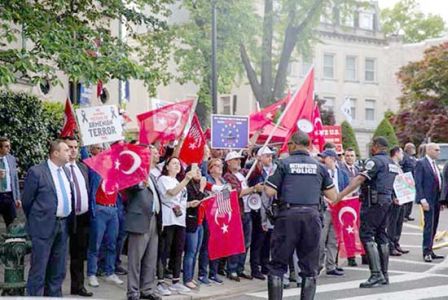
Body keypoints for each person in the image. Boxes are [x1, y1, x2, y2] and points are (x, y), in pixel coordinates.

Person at [264, 131, 338, 300]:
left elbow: (269, 191)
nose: (288, 147)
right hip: (312, 218)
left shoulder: (283, 164)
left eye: (290, 144)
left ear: (295, 144)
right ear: (308, 146)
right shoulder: (320, 167)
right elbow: (333, 196)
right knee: (309, 268)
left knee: (277, 265)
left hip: (287, 217)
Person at [337, 137, 399, 288]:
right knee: (381, 235)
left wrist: (339, 196)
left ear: (376, 147)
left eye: (372, 145)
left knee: (367, 234)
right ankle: (384, 275)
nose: (371, 148)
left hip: (374, 203)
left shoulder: (375, 161)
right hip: (387, 202)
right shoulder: (392, 163)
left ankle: (376, 274)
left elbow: (359, 179)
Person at [22, 140, 73, 296]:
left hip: (63, 226)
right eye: (66, 149)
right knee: (39, 269)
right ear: (55, 153)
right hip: (43, 227)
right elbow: (27, 201)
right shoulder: (37, 172)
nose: (70, 152)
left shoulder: (65, 171)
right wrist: (39, 219)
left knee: (58, 270)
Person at [124, 149, 162, 300]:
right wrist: (140, 184)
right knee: (135, 259)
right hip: (139, 220)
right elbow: (128, 187)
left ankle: (147, 289)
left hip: (154, 219)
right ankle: (133, 292)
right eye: (150, 152)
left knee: (150, 258)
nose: (154, 154)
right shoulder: (134, 171)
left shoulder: (152, 174)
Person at [157, 157, 196, 293]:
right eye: (173, 163)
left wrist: (190, 204)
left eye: (178, 164)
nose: (177, 165)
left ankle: (175, 281)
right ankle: (160, 282)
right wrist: (186, 180)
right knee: (165, 250)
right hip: (168, 220)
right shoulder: (163, 180)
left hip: (180, 220)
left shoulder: (178, 181)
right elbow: (171, 193)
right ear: (167, 166)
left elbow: (178, 201)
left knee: (178, 251)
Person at [224, 151, 263, 282]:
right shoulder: (228, 176)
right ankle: (232, 269)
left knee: (246, 242)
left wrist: (257, 160)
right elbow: (236, 193)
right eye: (235, 160)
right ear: (228, 162)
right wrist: (253, 189)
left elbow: (256, 171)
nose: (238, 161)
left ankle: (240, 268)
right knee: (236, 242)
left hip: (247, 212)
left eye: (239, 159)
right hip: (237, 213)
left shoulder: (243, 173)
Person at [87, 149, 123, 287]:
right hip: (100, 208)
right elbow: (93, 190)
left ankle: (110, 271)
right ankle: (91, 273)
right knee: (95, 244)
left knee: (112, 243)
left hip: (113, 209)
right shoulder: (97, 173)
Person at [63, 137, 94, 297]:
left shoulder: (83, 167)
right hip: (64, 217)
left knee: (79, 255)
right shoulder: (60, 169)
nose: (74, 150)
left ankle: (78, 286)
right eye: (70, 147)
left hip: (82, 218)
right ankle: (52, 288)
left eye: (76, 147)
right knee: (59, 254)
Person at [318, 149, 349, 277]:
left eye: (324, 158)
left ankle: (331, 265)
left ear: (332, 159)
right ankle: (317, 265)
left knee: (334, 239)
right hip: (325, 209)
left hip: (338, 209)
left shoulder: (342, 173)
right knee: (321, 239)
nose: (322, 160)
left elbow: (347, 188)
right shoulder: (320, 172)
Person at [249, 146, 276, 281]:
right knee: (258, 240)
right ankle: (255, 267)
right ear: (260, 157)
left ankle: (265, 264)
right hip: (258, 209)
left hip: (270, 209)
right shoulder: (255, 171)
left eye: (271, 155)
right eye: (267, 155)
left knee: (268, 240)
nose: (270, 158)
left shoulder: (273, 170)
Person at [415, 143, 444, 262]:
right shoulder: (421, 163)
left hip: (436, 199)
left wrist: (442, 200)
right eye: (436, 150)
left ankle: (431, 249)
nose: (439, 152)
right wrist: (422, 199)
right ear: (429, 150)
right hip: (428, 200)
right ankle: (426, 251)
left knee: (434, 225)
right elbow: (418, 182)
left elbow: (438, 182)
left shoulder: (434, 164)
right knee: (428, 226)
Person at [183, 166, 207, 289]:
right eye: (196, 170)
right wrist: (202, 188)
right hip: (191, 221)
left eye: (200, 170)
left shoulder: (198, 185)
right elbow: (195, 201)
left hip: (200, 222)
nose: (199, 173)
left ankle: (191, 276)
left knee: (196, 251)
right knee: (190, 252)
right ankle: (187, 278)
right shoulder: (188, 186)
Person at [340, 147, 361, 266]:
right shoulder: (342, 170)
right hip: (347, 203)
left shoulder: (358, 169)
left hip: (358, 202)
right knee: (349, 230)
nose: (349, 158)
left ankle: (364, 255)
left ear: (355, 157)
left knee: (360, 228)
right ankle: (351, 256)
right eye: (347, 155)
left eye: (352, 156)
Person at [387, 147, 409, 257]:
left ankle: (396, 243)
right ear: (396, 153)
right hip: (394, 199)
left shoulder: (399, 166)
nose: (403, 155)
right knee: (392, 223)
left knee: (399, 222)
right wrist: (392, 197)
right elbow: (389, 182)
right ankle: (390, 245)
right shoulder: (390, 165)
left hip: (402, 198)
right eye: (401, 153)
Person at [0, 137, 21, 227]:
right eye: (6, 146)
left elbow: (15, 179)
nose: (9, 148)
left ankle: (10, 240)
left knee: (12, 225)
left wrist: (17, 197)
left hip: (9, 195)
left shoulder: (11, 159)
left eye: (9, 146)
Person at [401, 143, 417, 222]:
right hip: (406, 179)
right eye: (412, 148)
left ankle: (407, 214)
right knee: (405, 199)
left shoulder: (413, 158)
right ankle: (403, 215)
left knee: (410, 198)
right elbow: (401, 166)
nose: (414, 149)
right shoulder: (404, 156)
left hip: (412, 180)